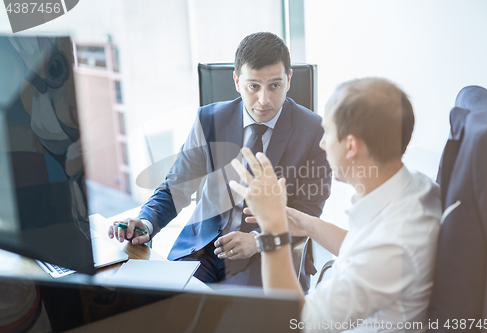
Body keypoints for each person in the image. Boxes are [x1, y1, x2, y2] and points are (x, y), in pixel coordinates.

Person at [109, 32, 331, 288]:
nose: (264, 100)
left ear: (289, 79)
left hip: (265, 254)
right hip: (202, 247)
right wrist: (146, 222)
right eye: (253, 86)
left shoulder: (316, 133)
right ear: (237, 81)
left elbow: (308, 212)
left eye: (275, 85)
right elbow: (176, 187)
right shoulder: (209, 120)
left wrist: (259, 241)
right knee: (167, 309)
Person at [229, 78, 442, 331]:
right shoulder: (415, 187)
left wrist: (272, 229)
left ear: (351, 145)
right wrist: (308, 225)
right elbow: (362, 249)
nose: (321, 143)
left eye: (327, 132)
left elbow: (293, 323)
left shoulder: (392, 243)